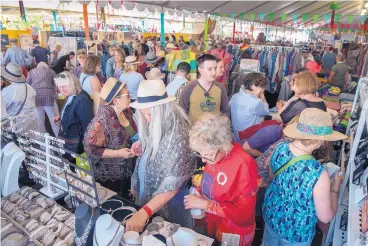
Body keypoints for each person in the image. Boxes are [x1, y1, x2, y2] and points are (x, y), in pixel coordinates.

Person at [262, 108, 346, 246]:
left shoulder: (280, 147)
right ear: (322, 140)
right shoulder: (318, 173)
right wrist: (335, 188)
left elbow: (272, 177)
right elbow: (326, 217)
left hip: (272, 215)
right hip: (296, 232)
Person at [126, 79, 195, 232]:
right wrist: (143, 144)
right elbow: (153, 136)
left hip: (169, 202)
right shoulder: (160, 118)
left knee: (166, 232)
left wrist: (145, 211)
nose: (146, 118)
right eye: (143, 114)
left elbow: (172, 185)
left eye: (148, 114)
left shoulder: (179, 134)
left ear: (159, 109)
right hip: (151, 187)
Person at [185, 113, 258, 246]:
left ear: (223, 147)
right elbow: (211, 181)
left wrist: (205, 205)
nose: (203, 160)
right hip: (215, 224)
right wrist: (199, 192)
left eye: (208, 155)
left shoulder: (244, 164)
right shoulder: (214, 156)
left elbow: (244, 214)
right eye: (201, 155)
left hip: (234, 232)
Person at [83, 78, 136, 197]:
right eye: (127, 95)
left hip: (127, 170)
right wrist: (118, 153)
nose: (130, 98)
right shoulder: (102, 120)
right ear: (116, 101)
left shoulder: (127, 112)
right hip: (111, 176)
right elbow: (90, 149)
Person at [230, 72, 282, 157]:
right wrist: (262, 96)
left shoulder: (235, 96)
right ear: (253, 86)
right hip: (249, 138)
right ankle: (264, 157)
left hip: (236, 136)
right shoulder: (256, 102)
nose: (263, 90)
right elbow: (265, 111)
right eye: (262, 87)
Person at [179, 54, 229, 122]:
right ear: (200, 70)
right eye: (209, 69)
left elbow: (225, 111)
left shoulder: (220, 88)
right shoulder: (188, 89)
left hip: (216, 131)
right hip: (194, 131)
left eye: (215, 68)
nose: (214, 72)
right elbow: (182, 115)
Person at [53, 72, 93, 154]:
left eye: (63, 86)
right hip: (68, 139)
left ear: (72, 83)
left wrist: (88, 148)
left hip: (75, 144)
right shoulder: (71, 95)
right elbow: (73, 112)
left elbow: (88, 126)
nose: (61, 89)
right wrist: (61, 116)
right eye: (59, 87)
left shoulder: (81, 100)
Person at [1, 63, 39, 133]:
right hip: (32, 123)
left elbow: (1, 109)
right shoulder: (29, 87)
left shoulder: (8, 90)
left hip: (17, 127)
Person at [26, 62, 59, 136]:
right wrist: (53, 92)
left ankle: (42, 140)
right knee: (53, 118)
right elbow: (56, 83)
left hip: (36, 96)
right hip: (48, 96)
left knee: (39, 120)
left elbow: (27, 83)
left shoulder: (31, 71)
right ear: (46, 67)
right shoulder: (50, 71)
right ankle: (59, 137)